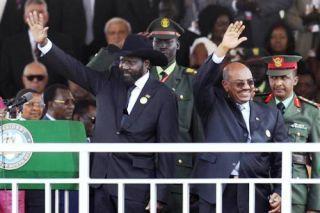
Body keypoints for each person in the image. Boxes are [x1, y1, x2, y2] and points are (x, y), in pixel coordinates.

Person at [27, 11, 178, 213]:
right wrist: (45, 43)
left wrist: (159, 195)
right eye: (122, 60)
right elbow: (74, 69)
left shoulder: (163, 95)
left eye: (130, 62)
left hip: (135, 188)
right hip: (100, 183)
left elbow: (166, 149)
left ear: (147, 64)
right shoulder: (107, 82)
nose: (123, 66)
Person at [191, 21, 289, 213]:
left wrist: (280, 191)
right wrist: (223, 48)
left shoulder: (271, 113)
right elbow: (201, 83)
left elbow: (282, 158)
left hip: (255, 193)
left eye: (250, 82)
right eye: (239, 84)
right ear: (226, 86)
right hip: (217, 191)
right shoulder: (213, 105)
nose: (246, 87)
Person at [146, 17, 204, 212]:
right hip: (143, 170)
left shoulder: (190, 80)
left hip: (179, 172)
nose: (162, 46)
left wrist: (197, 182)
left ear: (178, 44)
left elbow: (198, 135)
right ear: (151, 43)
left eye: (168, 41)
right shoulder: (139, 77)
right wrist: (118, 48)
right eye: (157, 41)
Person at [263, 55, 320, 213]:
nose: (278, 83)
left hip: (294, 192)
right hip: (261, 188)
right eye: (273, 78)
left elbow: (318, 162)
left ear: (295, 80)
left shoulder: (311, 113)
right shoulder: (257, 106)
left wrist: (315, 206)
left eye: (284, 78)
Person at [0, 0, 73, 99]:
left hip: (53, 104)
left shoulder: (63, 43)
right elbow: (4, 79)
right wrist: (19, 102)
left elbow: (68, 77)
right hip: (18, 104)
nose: (36, 15)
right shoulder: (10, 44)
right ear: (25, 17)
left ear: (47, 16)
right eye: (32, 12)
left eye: (41, 12)